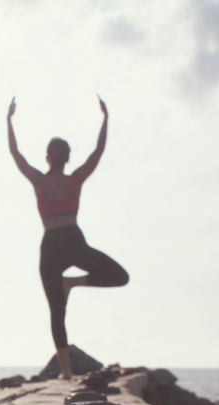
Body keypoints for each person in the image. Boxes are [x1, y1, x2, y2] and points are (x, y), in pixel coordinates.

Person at [7, 95, 128, 379]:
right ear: (68, 157)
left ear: (48, 157)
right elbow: (98, 152)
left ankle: (66, 372)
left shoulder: (40, 180)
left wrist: (8, 121)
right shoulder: (75, 180)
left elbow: (16, 155)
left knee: (56, 311)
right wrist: (105, 119)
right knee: (119, 276)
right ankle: (73, 283)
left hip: (51, 245)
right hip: (73, 241)